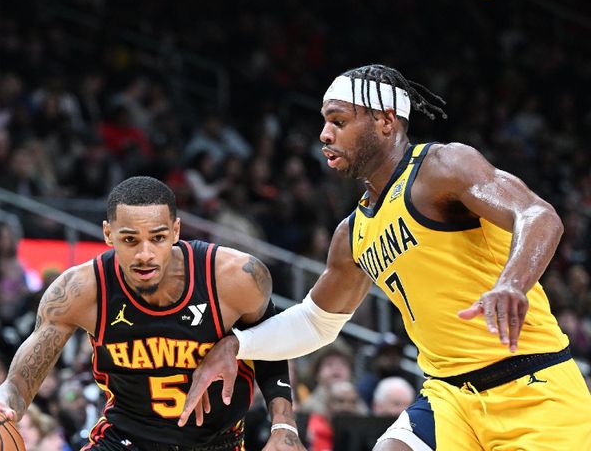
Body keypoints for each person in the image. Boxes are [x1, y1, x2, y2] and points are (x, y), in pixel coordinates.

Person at [179, 65, 591, 450]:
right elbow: (315, 322)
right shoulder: (351, 233)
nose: (323, 134)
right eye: (324, 122)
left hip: (533, 388)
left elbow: (538, 215)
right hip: (448, 396)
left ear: (386, 121)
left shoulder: (443, 167)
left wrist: (511, 282)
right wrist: (238, 343)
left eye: (338, 121)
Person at [0, 176, 305, 450]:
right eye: (130, 240)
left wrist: (283, 425)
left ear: (176, 231)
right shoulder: (80, 290)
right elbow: (20, 382)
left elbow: (273, 345)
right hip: (126, 439)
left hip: (216, 442)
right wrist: (0, 403)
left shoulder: (234, 277)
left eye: (157, 238)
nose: (145, 254)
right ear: (108, 234)